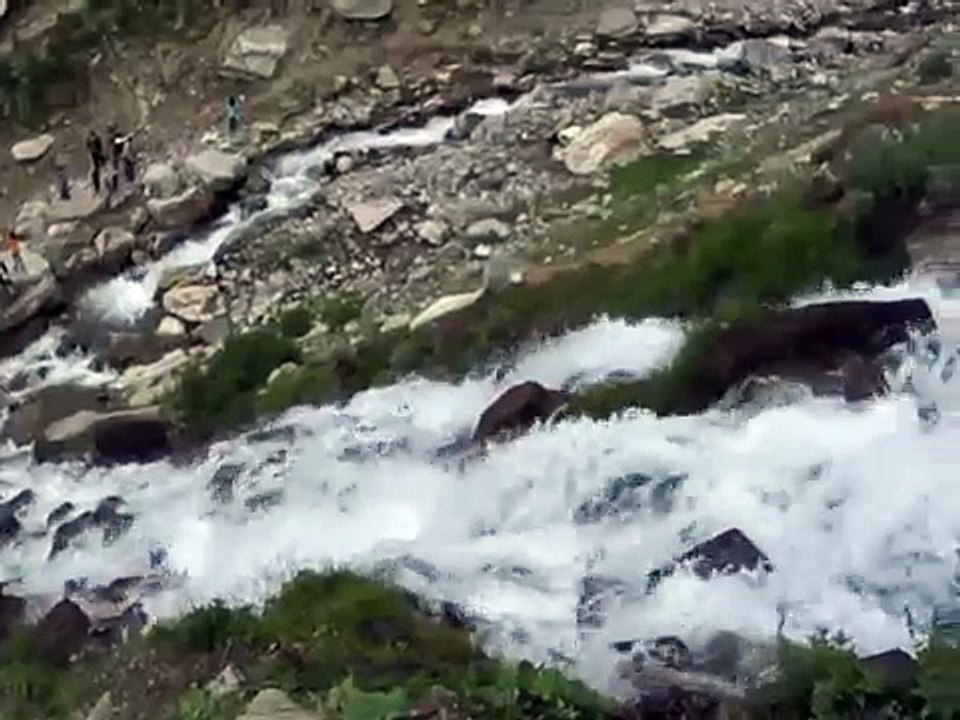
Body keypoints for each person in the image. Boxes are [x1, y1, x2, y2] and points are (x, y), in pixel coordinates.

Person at [86, 130, 106, 194]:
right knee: (96, 170)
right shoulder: (95, 139)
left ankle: (97, 187)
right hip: (95, 155)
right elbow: (99, 146)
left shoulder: (89, 139)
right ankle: (96, 187)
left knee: (96, 170)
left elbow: (88, 147)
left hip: (94, 155)